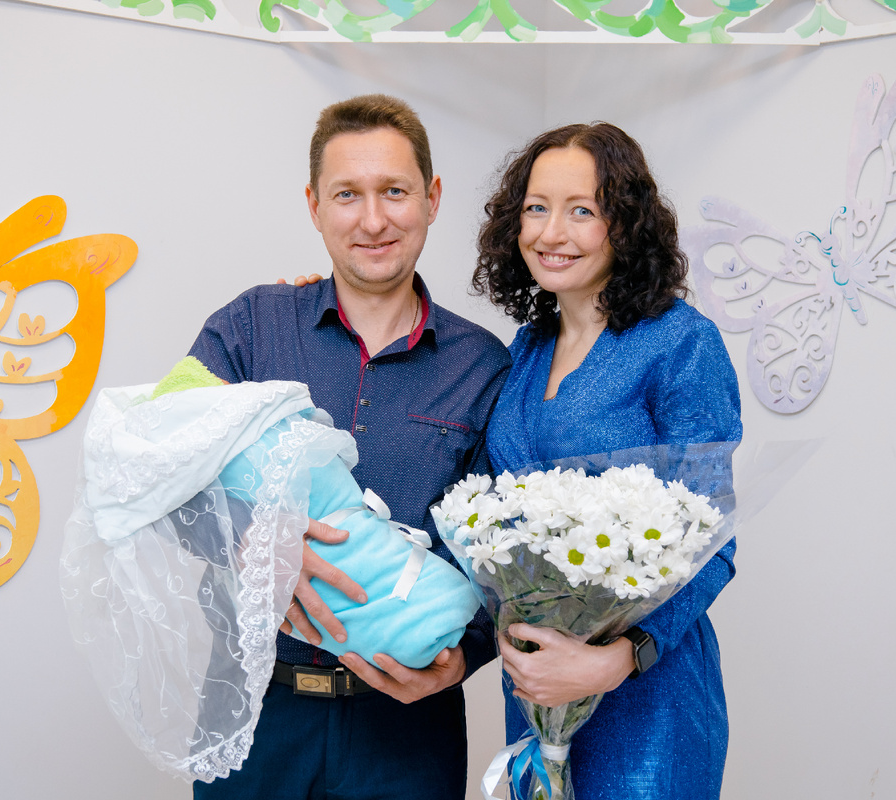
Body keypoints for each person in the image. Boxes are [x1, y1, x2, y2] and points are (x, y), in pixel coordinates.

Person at [188, 94, 510, 800]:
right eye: (346, 195)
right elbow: (165, 484)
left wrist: (465, 658)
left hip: (406, 730)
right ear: (314, 205)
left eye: (394, 191)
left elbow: (503, 552)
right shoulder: (249, 328)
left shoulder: (484, 366)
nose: (372, 220)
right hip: (254, 714)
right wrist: (256, 541)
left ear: (431, 198)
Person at [472, 123, 742, 799]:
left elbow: (714, 544)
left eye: (582, 211)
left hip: (647, 697)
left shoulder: (681, 343)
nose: (551, 232)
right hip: (537, 690)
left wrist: (620, 658)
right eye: (536, 208)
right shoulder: (528, 347)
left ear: (625, 223)